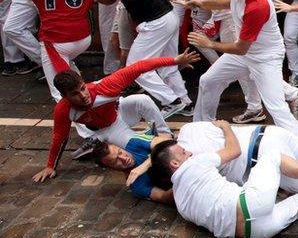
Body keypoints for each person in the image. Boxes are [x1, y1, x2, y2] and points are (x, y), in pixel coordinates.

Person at [149, 122, 298, 238]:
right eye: (182, 151)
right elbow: (233, 151)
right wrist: (226, 127)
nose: (188, 150)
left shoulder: (179, 202)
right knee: (272, 156)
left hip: (253, 233)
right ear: (175, 164)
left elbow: (164, 196)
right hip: (249, 203)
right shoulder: (195, 163)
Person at [112, 120, 298, 207]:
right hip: (270, 133)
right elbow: (159, 144)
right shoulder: (191, 129)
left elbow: (171, 191)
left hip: (263, 157)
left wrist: (142, 168)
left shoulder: (191, 161)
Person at [32, 50, 200, 183]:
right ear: (65, 96)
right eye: (75, 94)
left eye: (83, 88)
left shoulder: (106, 87)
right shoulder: (63, 109)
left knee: (142, 99)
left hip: (119, 112)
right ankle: (96, 141)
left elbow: (139, 66)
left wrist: (175, 60)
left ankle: (166, 135)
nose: (83, 95)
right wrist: (50, 166)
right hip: (108, 130)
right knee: (138, 148)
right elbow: (59, 137)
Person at [187, 0, 298, 137]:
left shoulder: (256, 6)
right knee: (208, 80)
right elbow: (230, 1)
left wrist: (209, 43)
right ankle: (203, 129)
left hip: (265, 58)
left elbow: (241, 47)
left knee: (277, 109)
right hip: (246, 54)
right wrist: (202, 2)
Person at [95, 0, 192, 117]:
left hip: (157, 21)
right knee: (167, 65)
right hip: (163, 19)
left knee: (136, 67)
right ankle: (184, 103)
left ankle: (172, 101)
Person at [0, 0, 101, 101]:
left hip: (57, 40)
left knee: (62, 94)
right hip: (84, 37)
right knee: (74, 79)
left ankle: (89, 121)